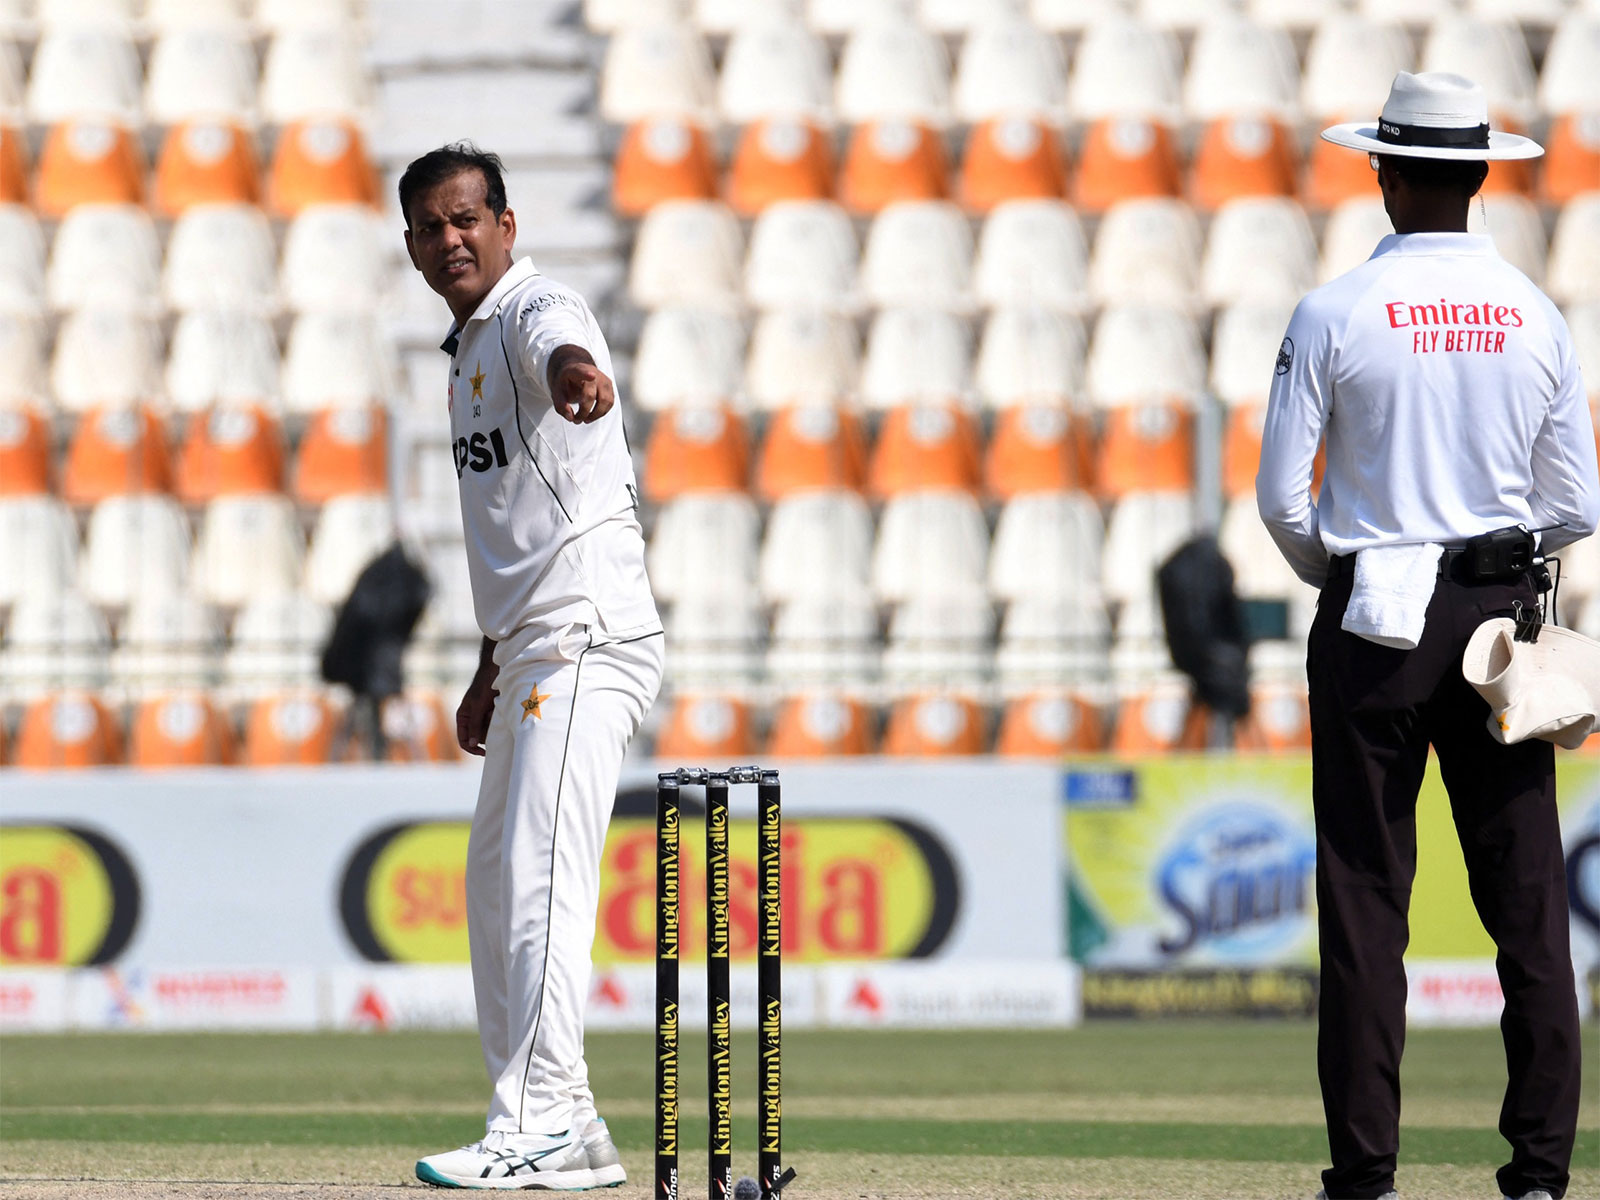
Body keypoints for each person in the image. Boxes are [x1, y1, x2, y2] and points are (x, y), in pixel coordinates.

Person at [1256, 73, 1598, 1200]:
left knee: (1364, 902)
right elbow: (1576, 505)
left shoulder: (1334, 311)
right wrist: (1494, 555)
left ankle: (1365, 1173)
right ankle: (1541, 1171)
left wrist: (1347, 571)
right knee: (1527, 903)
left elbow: (1281, 504)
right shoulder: (1533, 313)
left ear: (1385, 174)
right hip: (1497, 619)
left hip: (1374, 620)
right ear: (1480, 177)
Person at [400, 143, 664, 1190]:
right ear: (412, 246)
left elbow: (563, 346)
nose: (451, 238)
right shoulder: (465, 351)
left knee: (538, 881)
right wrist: (485, 658)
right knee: (495, 883)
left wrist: (578, 377)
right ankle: (576, 1127)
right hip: (528, 648)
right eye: (431, 225)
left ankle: (541, 1119)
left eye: (468, 218)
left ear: (505, 225)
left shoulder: (532, 305)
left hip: (585, 638)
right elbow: (516, 526)